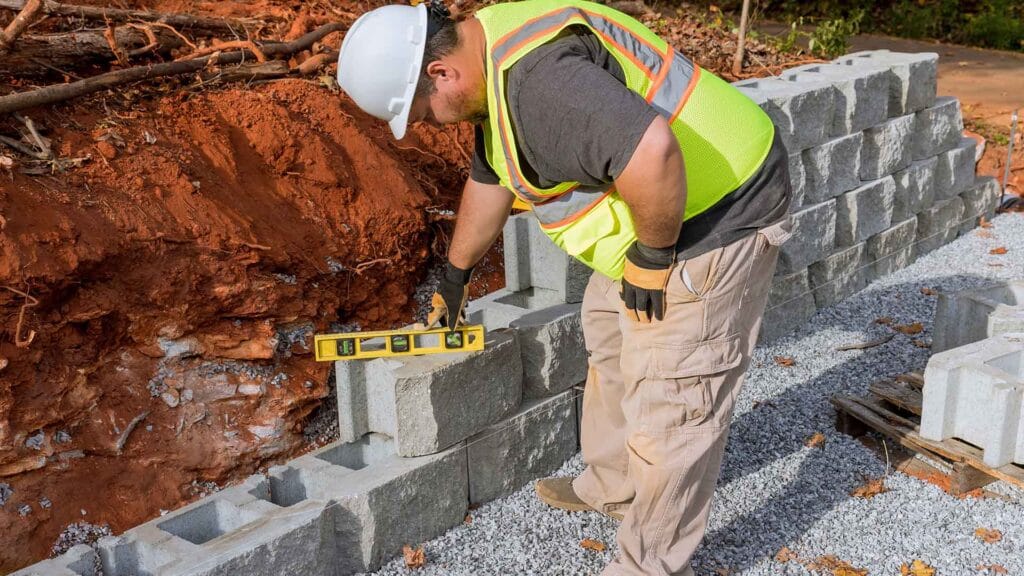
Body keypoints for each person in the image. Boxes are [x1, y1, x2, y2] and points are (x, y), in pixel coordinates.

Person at [336, 1, 792, 574]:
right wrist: (454, 280)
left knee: (675, 402)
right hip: (657, 208)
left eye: (424, 113)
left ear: (439, 73)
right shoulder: (487, 48)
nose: (433, 124)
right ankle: (613, 487)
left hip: (715, 211)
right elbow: (492, 175)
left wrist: (652, 261)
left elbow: (653, 152)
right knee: (608, 329)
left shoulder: (537, 86)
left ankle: (647, 564)